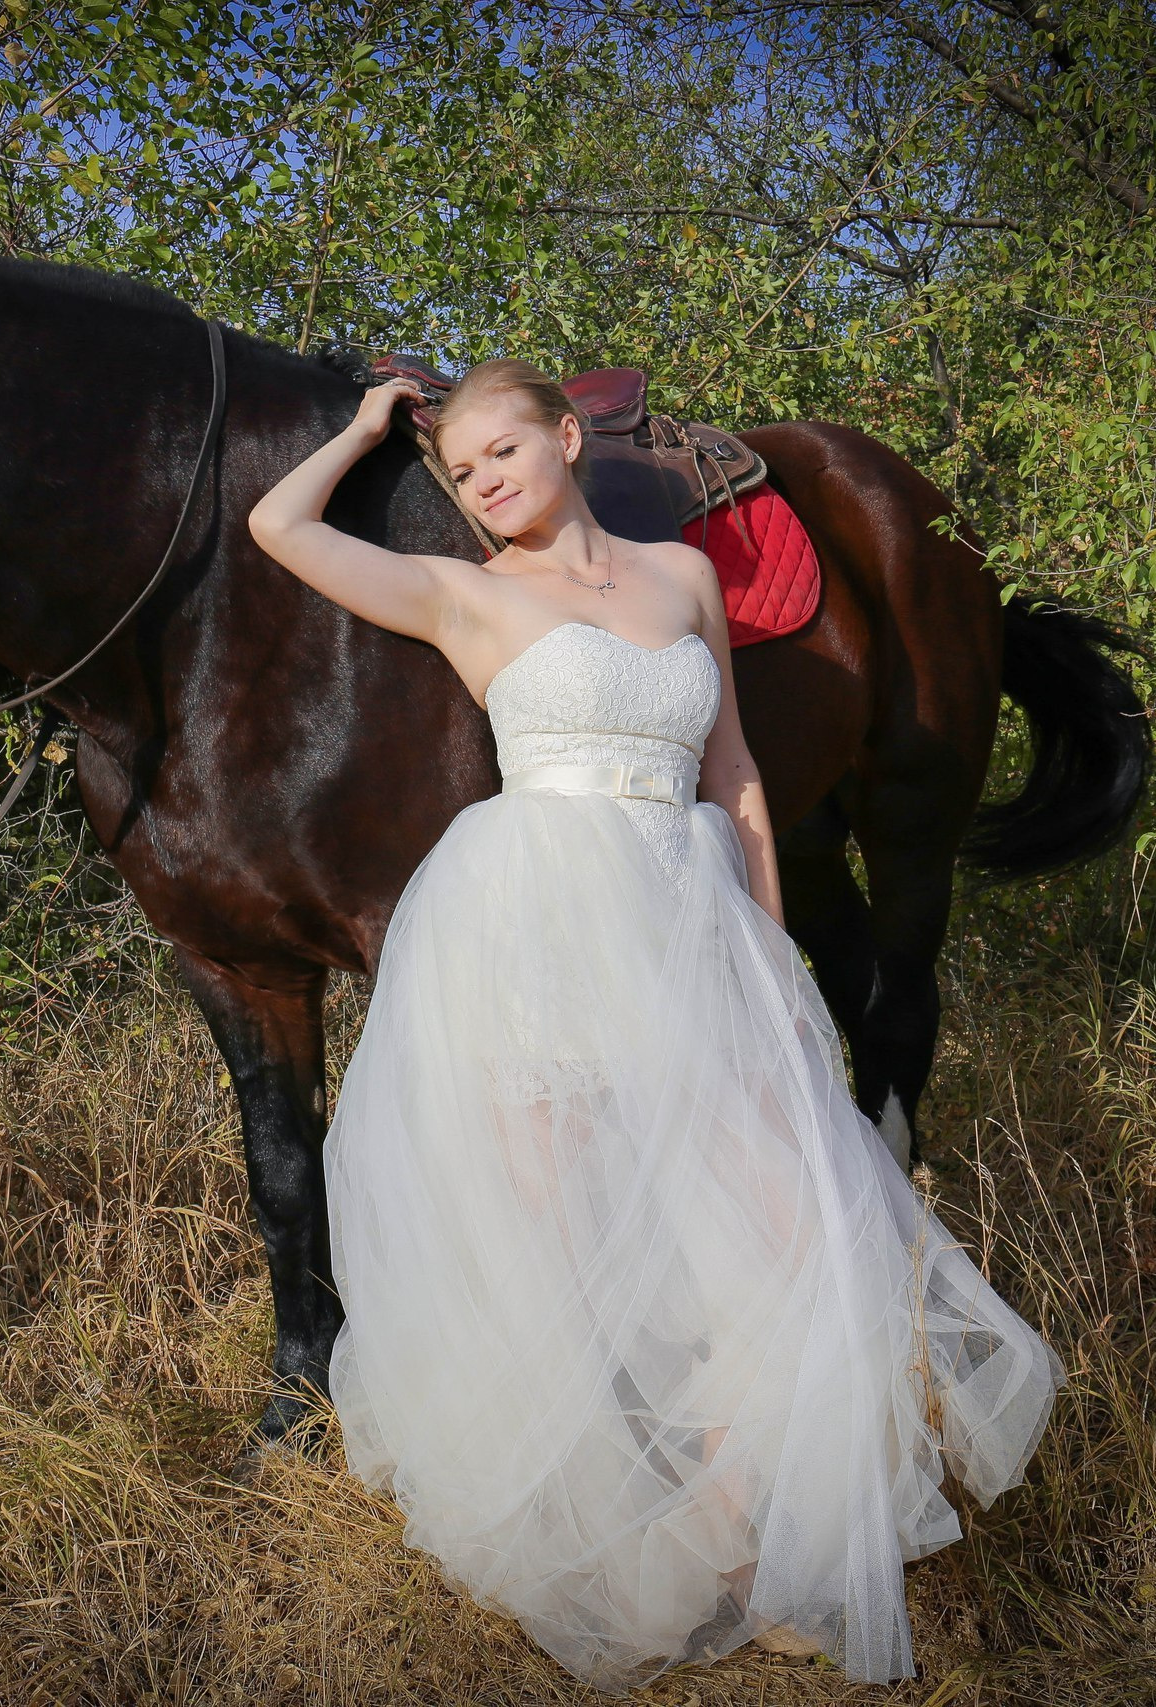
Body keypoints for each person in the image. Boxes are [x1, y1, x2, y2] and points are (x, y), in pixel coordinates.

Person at [246, 358, 1059, 1690]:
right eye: (465, 472)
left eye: (506, 450)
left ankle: (732, 1532)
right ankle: (599, 1524)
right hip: (535, 932)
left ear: (568, 436)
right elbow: (278, 530)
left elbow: (733, 772)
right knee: (564, 1238)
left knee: (792, 1220)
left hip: (689, 918)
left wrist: (771, 961)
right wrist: (358, 431)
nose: (488, 482)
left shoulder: (685, 581)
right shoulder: (466, 593)